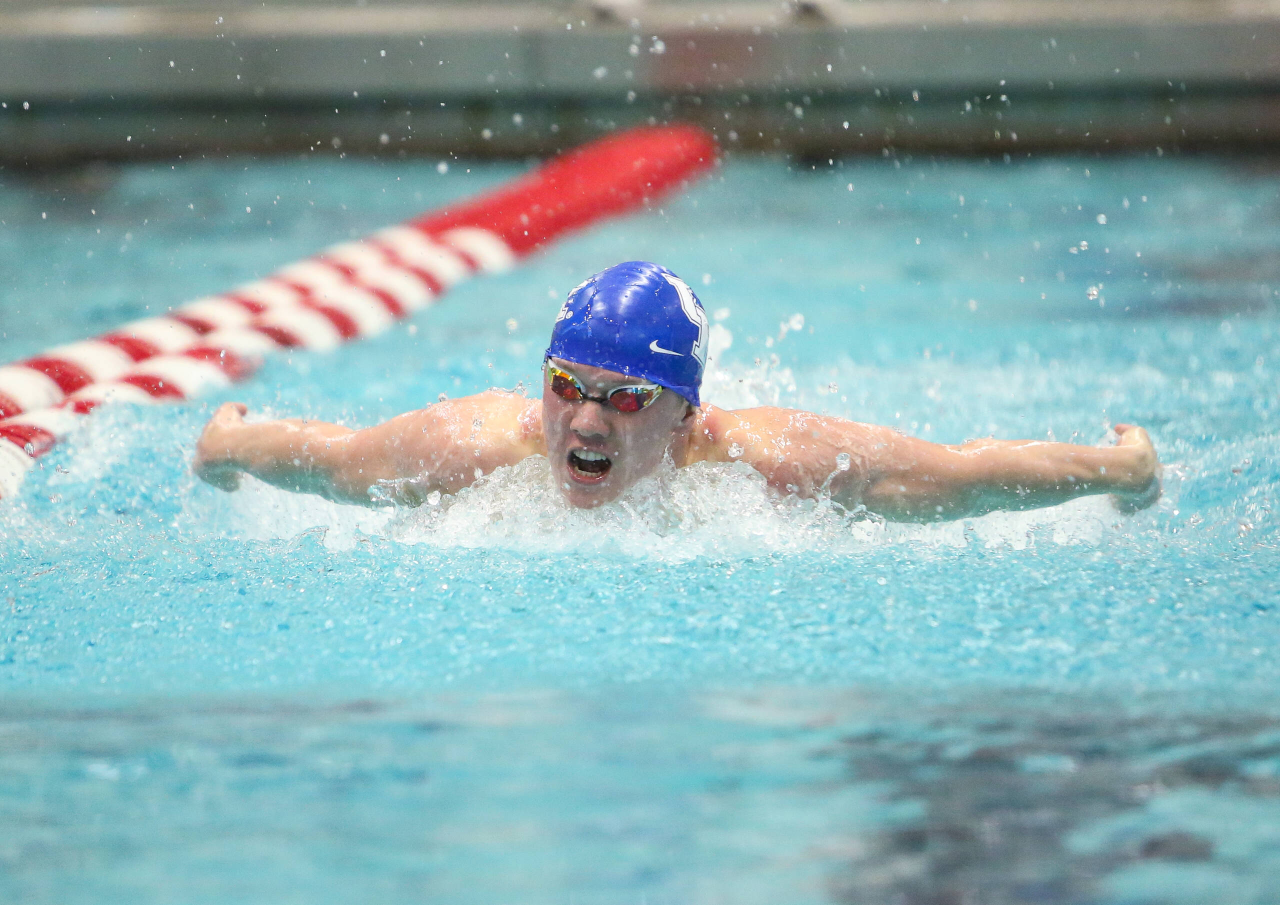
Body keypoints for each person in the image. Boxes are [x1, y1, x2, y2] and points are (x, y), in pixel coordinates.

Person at [194, 261, 1160, 521]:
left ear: (683, 415)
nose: (581, 418)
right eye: (567, 385)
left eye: (623, 399)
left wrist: (1119, 467)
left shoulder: (767, 465)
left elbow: (962, 477)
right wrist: (229, 443)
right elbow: (334, 459)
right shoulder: (479, 448)